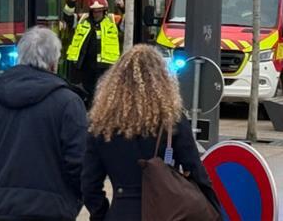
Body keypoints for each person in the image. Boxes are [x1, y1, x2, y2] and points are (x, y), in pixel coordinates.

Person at [0, 27, 88, 221]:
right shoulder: (68, 103)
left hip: (0, 209)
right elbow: (80, 162)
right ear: (54, 63)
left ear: (21, 57)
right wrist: (73, 197)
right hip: (52, 210)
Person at [81, 45, 221, 220]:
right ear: (162, 80)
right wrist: (213, 209)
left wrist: (101, 214)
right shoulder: (172, 120)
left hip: (120, 213)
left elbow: (89, 184)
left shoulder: (102, 124)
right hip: (167, 213)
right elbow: (196, 171)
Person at [64, 0, 124, 102]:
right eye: (94, 11)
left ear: (104, 11)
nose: (96, 14)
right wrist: (71, 2)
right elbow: (68, 18)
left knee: (103, 96)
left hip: (106, 67)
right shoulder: (83, 19)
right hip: (84, 66)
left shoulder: (112, 20)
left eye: (99, 11)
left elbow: (129, 23)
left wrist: (122, 7)